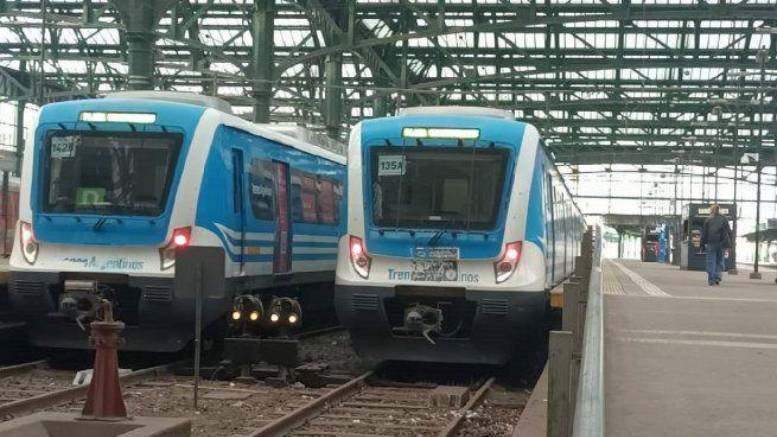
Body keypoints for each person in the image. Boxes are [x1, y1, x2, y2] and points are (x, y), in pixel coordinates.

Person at [700, 204, 733, 286]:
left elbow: (704, 234)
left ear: (711, 210)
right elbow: (729, 231)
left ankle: (711, 279)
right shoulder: (724, 219)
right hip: (721, 243)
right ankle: (717, 277)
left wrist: (702, 244)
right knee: (720, 260)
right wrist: (730, 242)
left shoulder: (708, 219)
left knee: (711, 261)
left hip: (711, 243)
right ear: (719, 210)